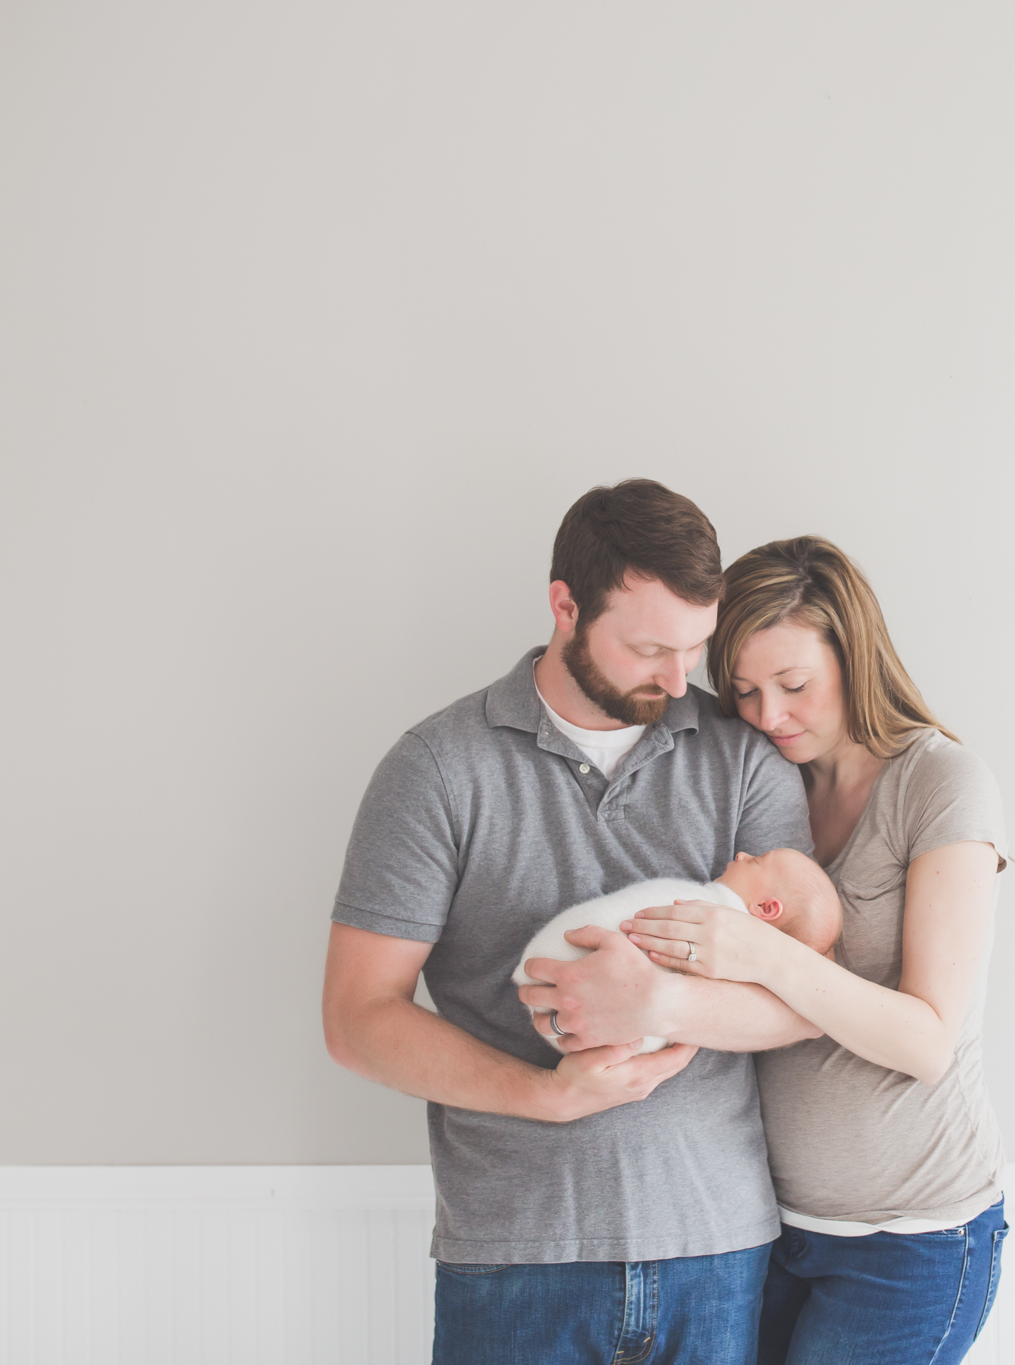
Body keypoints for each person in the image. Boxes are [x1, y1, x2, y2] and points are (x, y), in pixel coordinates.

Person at [321, 480, 817, 1365]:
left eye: (695, 649)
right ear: (564, 605)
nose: (678, 679)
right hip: (515, 1256)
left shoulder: (746, 761)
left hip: (715, 1247)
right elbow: (358, 1019)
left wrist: (652, 1003)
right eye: (649, 648)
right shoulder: (437, 769)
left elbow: (804, 999)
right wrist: (547, 1096)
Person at [615, 536, 1012, 1364]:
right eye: (747, 690)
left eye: (794, 685)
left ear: (853, 653)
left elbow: (926, 1038)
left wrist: (762, 952)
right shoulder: (764, 781)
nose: (767, 715)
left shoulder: (941, 784)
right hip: (770, 1227)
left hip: (909, 1242)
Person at [512, 848, 844, 1054]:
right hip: (571, 1008)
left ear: (767, 908)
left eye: (756, 861)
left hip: (551, 976)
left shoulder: (711, 913)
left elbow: (816, 1008)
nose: (742, 854)